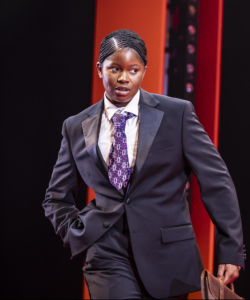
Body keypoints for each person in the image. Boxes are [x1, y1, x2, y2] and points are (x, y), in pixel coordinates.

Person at [43, 30, 245, 299]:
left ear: (144, 70)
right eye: (114, 68)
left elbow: (216, 181)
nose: (124, 78)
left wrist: (230, 248)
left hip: (168, 252)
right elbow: (56, 196)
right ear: (99, 69)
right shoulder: (75, 126)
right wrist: (74, 231)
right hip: (105, 251)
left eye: (133, 70)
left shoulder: (177, 113)